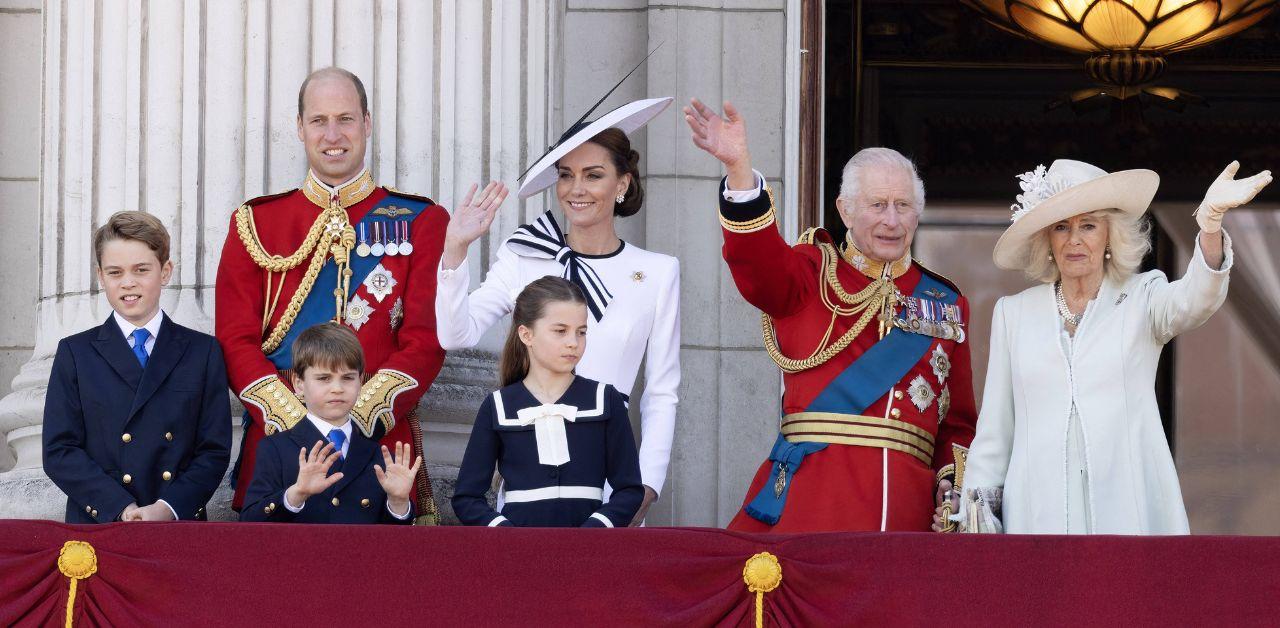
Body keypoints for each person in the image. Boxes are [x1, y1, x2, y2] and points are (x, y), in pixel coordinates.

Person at [683, 99, 978, 532]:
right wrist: (740, 171)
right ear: (845, 210)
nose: (892, 221)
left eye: (903, 205)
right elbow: (759, 265)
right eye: (877, 205)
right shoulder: (810, 274)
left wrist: (949, 490)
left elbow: (958, 424)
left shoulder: (946, 303)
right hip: (811, 507)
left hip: (907, 518)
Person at [215, 67, 484, 523]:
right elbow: (234, 339)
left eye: (346, 118)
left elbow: (425, 340)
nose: (332, 134)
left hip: (380, 447)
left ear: (367, 123)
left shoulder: (421, 220)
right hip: (279, 446)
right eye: (319, 120)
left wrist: (356, 416)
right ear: (299, 128)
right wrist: (295, 422)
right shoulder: (256, 223)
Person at [947, 159, 1271, 535]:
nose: (1074, 239)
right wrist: (977, 519)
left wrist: (1210, 226)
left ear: (1109, 236)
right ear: (1047, 240)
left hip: (1128, 512)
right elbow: (995, 430)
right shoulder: (1014, 313)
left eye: (1088, 225)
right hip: (1036, 517)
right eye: (1061, 227)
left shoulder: (1142, 297)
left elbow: (1195, 299)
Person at [436, 97, 678, 525]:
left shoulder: (657, 272)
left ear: (622, 184)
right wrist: (455, 251)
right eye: (566, 175)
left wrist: (646, 487)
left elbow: (661, 391)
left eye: (593, 175)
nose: (576, 189)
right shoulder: (524, 254)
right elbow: (457, 335)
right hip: (530, 474)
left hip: (611, 474)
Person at [43, 211, 231, 523]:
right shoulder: (75, 353)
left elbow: (213, 450)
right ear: (101, 276)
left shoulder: (202, 352)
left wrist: (168, 508)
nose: (128, 282)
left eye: (141, 270)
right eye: (115, 272)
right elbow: (59, 450)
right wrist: (118, 507)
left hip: (176, 524)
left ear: (165, 271)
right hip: (102, 523)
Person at [452, 277, 642, 527]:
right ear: (526, 334)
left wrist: (595, 531)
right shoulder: (497, 406)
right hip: (519, 557)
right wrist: (506, 534)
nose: (573, 342)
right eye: (560, 331)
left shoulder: (606, 400)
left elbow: (630, 490)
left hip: (590, 555)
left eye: (581, 332)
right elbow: (466, 498)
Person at [241, 323, 420, 524]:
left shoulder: (380, 456)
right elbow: (250, 524)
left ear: (361, 381)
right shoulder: (275, 449)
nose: (337, 388)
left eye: (347, 378)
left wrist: (398, 503)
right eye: (324, 378)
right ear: (299, 384)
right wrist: (295, 494)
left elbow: (393, 545)